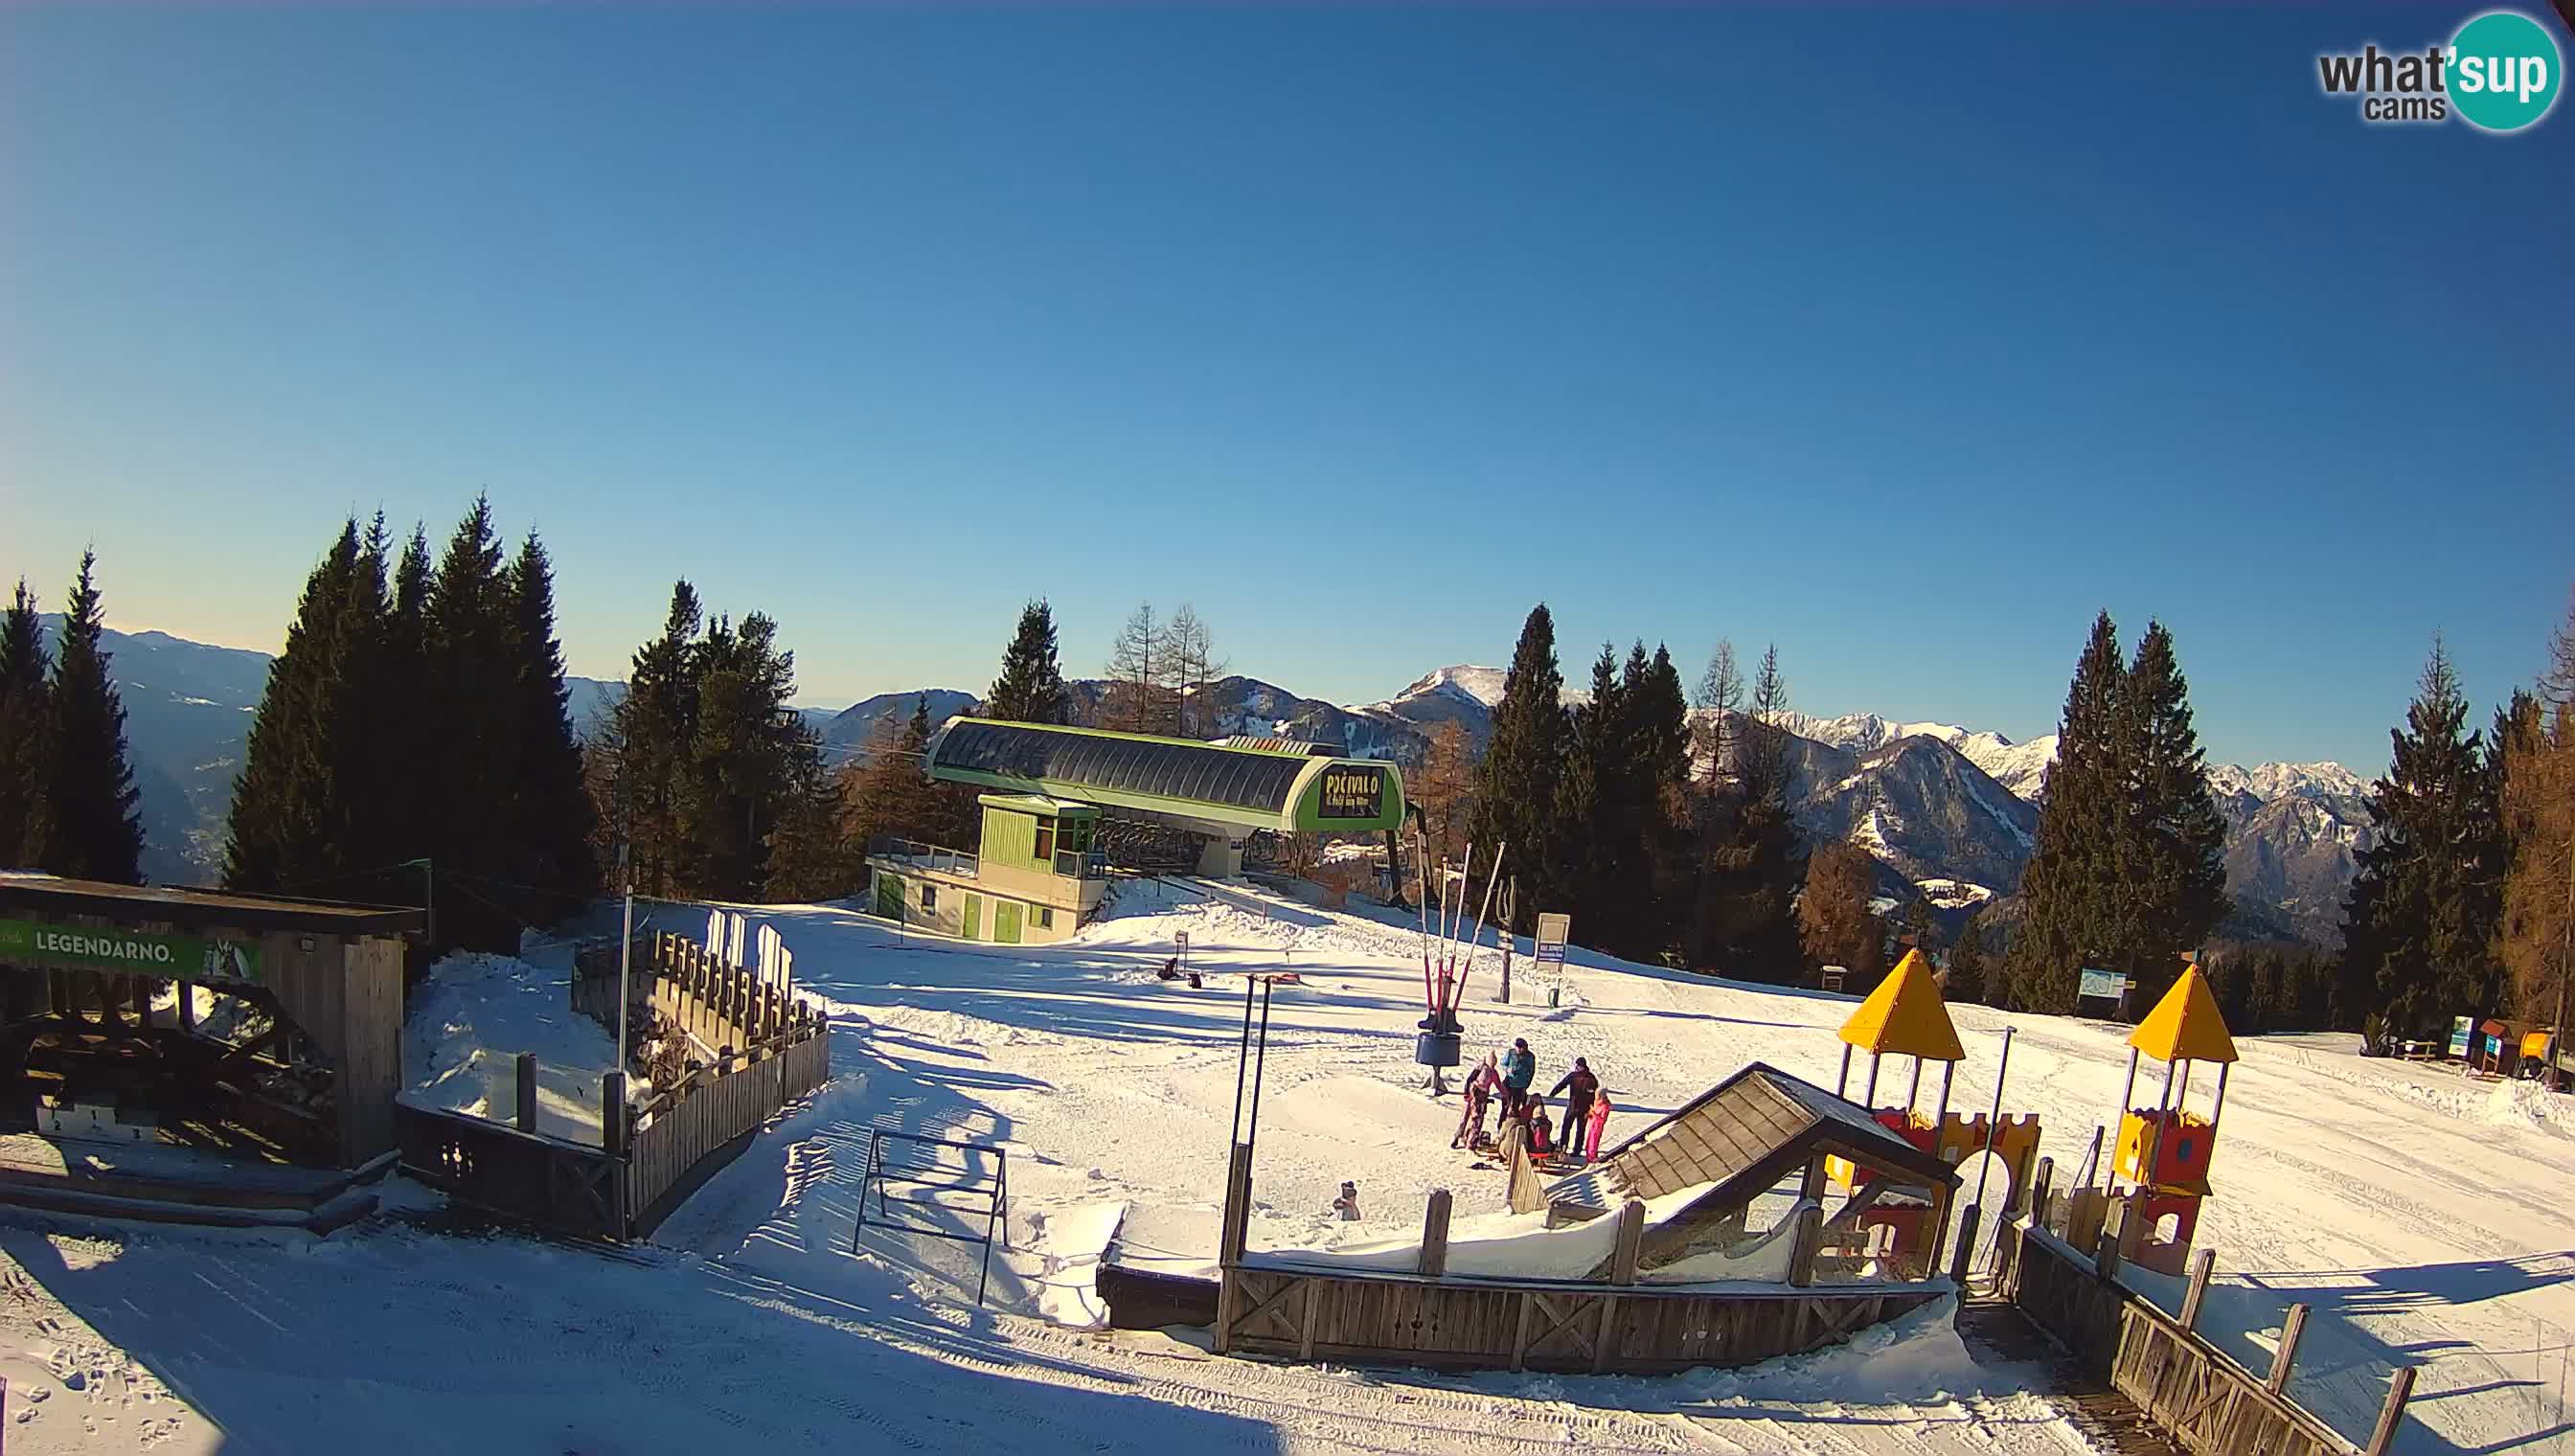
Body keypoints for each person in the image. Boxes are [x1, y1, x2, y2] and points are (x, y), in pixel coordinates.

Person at [1549, 1058, 1599, 1153]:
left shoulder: (1591, 1078)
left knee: (1580, 1130)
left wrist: (1592, 1108)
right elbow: (1562, 1084)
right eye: (1576, 1065)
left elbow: (1595, 1094)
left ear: (1583, 1067)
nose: (1576, 1067)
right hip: (1572, 1106)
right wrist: (1553, 1093)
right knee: (1566, 1127)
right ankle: (1563, 1146)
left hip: (1584, 1109)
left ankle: (1577, 1150)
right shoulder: (1573, 1076)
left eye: (1578, 1066)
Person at [1453, 1054, 1498, 1150]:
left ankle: (1461, 1138)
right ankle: (1469, 1142)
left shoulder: (1484, 1070)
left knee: (1466, 1119)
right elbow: (1473, 1082)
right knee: (1475, 1121)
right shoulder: (1484, 1071)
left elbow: (1469, 1081)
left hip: (1473, 1098)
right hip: (1475, 1100)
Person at [1500, 1038, 1537, 1123]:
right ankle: (1501, 1125)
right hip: (1508, 1083)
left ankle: (1513, 1124)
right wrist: (1507, 1069)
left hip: (1520, 1086)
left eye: (1521, 1047)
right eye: (1517, 1047)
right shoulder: (1511, 1053)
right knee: (1505, 1106)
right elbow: (1503, 1063)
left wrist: (1527, 1084)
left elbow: (1531, 1071)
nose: (1519, 1049)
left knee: (1515, 1108)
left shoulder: (1529, 1057)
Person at [1584, 1090, 1614, 1163]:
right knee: (1588, 1143)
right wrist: (1589, 1114)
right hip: (1591, 1125)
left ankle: (1592, 1159)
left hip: (1597, 1127)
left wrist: (1594, 1113)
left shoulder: (1605, 1106)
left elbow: (1602, 1120)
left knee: (1593, 1144)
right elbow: (1594, 1111)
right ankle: (1588, 1159)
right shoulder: (1596, 1102)